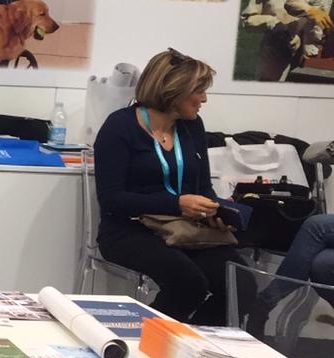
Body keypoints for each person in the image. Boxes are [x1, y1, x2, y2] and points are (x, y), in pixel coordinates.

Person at [93, 49, 237, 325]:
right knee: (188, 282)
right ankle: (144, 339)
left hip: (185, 229)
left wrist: (215, 212)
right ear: (173, 91)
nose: (204, 99)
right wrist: (176, 204)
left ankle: (191, 341)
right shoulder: (119, 127)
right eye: (199, 91)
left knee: (239, 284)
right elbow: (111, 199)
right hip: (128, 230)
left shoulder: (192, 127)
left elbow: (203, 187)